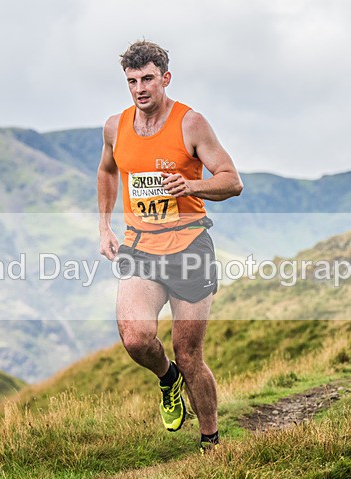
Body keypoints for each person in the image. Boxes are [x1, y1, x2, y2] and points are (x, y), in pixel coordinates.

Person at [97, 40, 243, 452]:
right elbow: (108, 171)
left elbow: (232, 180)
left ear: (165, 78)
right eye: (131, 81)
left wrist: (193, 184)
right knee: (136, 338)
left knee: (189, 352)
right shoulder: (115, 126)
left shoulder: (190, 124)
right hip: (140, 249)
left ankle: (211, 441)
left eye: (147, 79)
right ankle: (167, 378)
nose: (140, 88)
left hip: (190, 248)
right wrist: (105, 226)